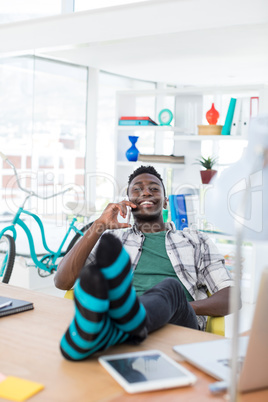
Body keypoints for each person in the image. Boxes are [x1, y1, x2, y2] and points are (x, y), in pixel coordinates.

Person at [55, 166, 234, 361]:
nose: (146, 192)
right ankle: (118, 324)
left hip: (177, 323)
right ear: (128, 202)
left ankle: (119, 320)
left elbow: (231, 295)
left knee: (171, 288)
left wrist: (189, 306)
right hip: (126, 330)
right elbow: (62, 281)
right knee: (96, 279)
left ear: (165, 202)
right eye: (137, 189)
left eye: (154, 189)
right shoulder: (112, 242)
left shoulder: (195, 240)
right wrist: (99, 225)